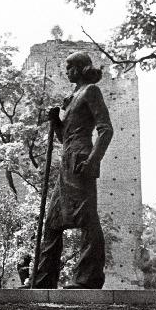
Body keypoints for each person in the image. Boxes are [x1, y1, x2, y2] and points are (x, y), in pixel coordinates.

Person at [32, 51, 114, 289]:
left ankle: (88, 278)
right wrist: (56, 122)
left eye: (69, 68)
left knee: (87, 219)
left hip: (81, 161)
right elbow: (64, 138)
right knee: (52, 221)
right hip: (67, 161)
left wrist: (92, 160)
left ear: (79, 69)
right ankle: (43, 279)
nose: (66, 72)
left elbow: (106, 129)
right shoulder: (72, 97)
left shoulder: (91, 91)